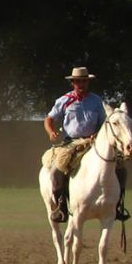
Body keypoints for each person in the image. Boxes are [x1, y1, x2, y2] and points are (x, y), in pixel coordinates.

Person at [43, 66, 107, 222]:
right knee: (56, 172)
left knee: (118, 167)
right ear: (73, 83)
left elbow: (105, 122)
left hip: (93, 142)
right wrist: (51, 132)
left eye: (84, 81)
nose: (81, 84)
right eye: (78, 81)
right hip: (71, 142)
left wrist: (97, 134)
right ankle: (60, 206)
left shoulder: (97, 101)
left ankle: (117, 205)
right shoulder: (64, 100)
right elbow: (49, 119)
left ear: (88, 82)